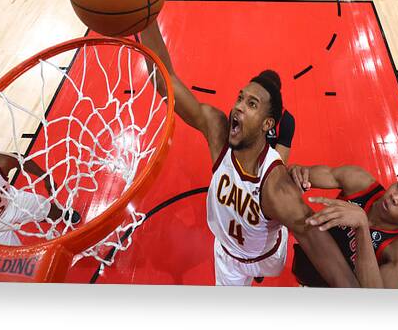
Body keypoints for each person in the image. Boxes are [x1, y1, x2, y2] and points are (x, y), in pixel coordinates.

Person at [140, 20, 364, 287]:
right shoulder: (218, 131)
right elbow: (167, 84)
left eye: (252, 104)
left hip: (267, 255)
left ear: (268, 124)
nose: (238, 107)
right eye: (240, 98)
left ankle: (260, 263)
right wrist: (148, 18)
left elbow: (315, 240)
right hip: (229, 256)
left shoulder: (277, 189)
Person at [288, 163, 398, 287]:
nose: (395, 197)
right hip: (306, 254)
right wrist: (298, 173)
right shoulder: (359, 181)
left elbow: (374, 302)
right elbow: (302, 173)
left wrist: (362, 227)